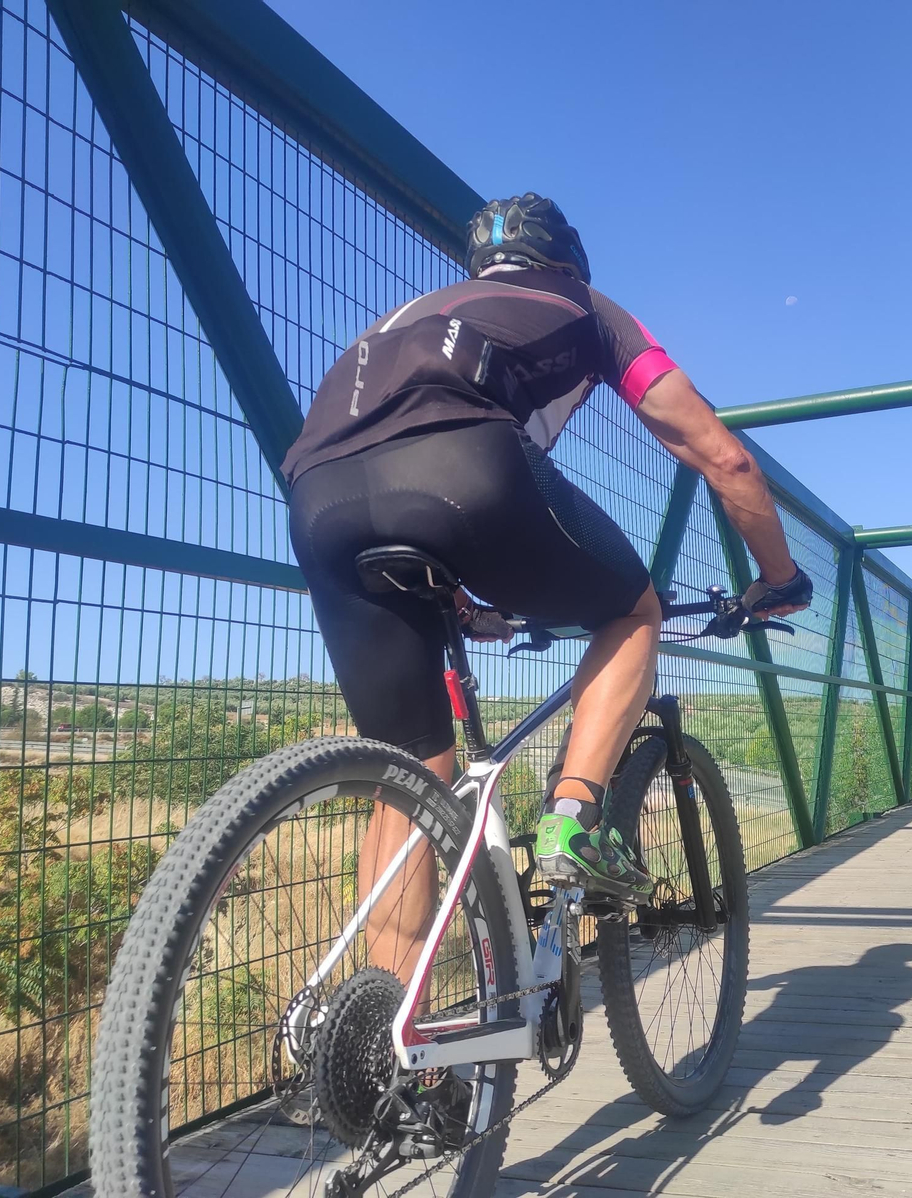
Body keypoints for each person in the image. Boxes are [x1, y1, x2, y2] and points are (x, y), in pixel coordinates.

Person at [283, 194, 812, 980]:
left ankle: (383, 1035)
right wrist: (778, 577)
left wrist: (455, 594)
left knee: (410, 778)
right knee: (635, 612)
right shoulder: (584, 306)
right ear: (567, 260)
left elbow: (386, 455)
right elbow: (722, 457)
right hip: (465, 471)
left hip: (315, 496)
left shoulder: (412, 314)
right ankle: (572, 818)